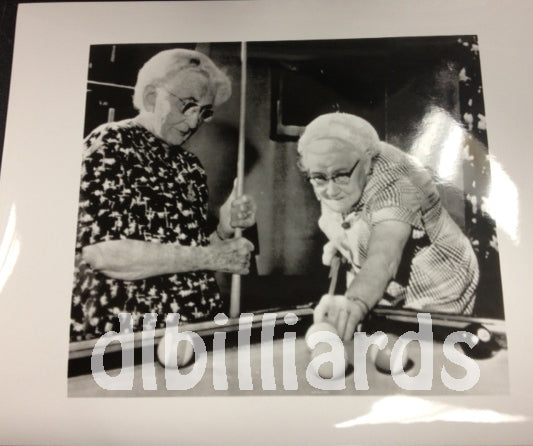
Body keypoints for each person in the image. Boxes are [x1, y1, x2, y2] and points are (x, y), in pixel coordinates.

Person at [70, 49, 256, 341]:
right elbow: (103, 253)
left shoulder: (190, 166)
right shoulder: (110, 144)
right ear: (151, 97)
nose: (194, 122)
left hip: (191, 333)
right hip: (128, 339)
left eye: (204, 112)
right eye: (188, 105)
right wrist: (213, 256)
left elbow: (188, 253)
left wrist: (222, 230)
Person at [297, 112, 479, 341]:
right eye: (319, 178)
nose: (331, 190)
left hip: (440, 285)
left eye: (341, 175)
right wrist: (344, 242)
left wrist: (354, 302)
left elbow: (384, 258)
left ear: (367, 163)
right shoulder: (338, 165)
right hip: (383, 282)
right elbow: (346, 209)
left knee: (421, 355)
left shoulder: (397, 185)